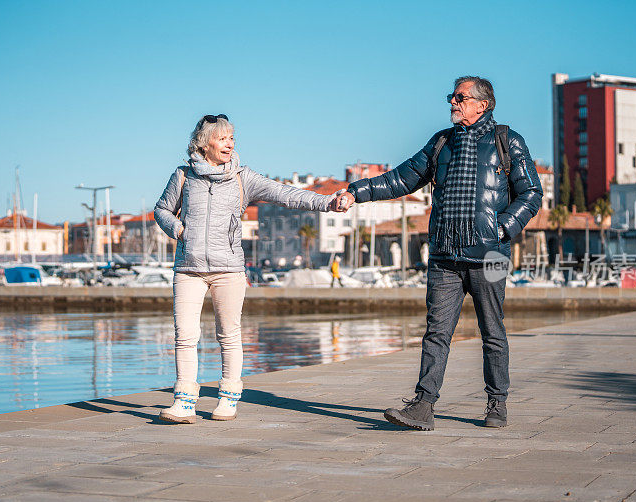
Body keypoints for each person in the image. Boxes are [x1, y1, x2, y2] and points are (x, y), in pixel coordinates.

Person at [334, 76, 542, 430]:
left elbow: (532, 194)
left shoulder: (508, 141)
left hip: (492, 257)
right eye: (452, 96)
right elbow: (401, 179)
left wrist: (502, 227)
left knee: (493, 329)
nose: (453, 103)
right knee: (436, 332)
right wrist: (357, 191)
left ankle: (497, 404)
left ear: (483, 104)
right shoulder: (441, 142)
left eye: (460, 97)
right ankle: (423, 406)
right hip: (445, 255)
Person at [154, 114, 340, 423]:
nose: (231, 143)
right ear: (205, 143)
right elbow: (162, 209)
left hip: (229, 269)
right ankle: (184, 402)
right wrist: (178, 229)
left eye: (232, 138)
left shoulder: (243, 177)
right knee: (185, 335)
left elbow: (287, 195)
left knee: (228, 334)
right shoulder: (184, 176)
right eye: (223, 138)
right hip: (188, 268)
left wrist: (327, 203)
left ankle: (228, 398)